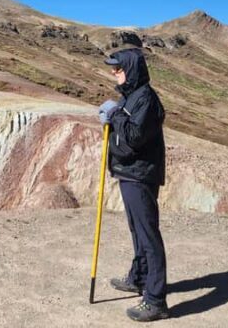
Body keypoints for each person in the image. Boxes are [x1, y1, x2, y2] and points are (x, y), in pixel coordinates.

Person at [99, 48, 169, 322]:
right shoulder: (132, 96)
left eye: (118, 69)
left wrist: (114, 115)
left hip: (140, 175)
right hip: (130, 173)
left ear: (132, 69)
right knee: (138, 232)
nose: (113, 73)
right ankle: (139, 278)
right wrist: (115, 114)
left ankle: (155, 300)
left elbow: (131, 140)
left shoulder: (145, 100)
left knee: (148, 235)